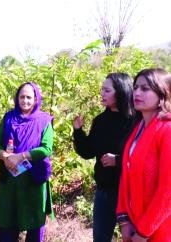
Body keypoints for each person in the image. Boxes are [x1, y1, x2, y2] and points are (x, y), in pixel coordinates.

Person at [72, 73, 135, 242]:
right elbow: (88, 152)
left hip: (130, 192)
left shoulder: (136, 120)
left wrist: (118, 160)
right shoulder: (100, 120)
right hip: (104, 191)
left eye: (107, 90)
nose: (102, 93)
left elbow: (144, 157)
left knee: (132, 238)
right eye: (102, 89)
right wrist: (78, 131)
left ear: (121, 91)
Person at [0, 82, 54, 242]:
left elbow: (46, 148)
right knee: (8, 217)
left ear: (36, 99)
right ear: (17, 98)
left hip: (34, 179)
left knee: (34, 219)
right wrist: (5, 157)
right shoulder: (8, 117)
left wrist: (21, 156)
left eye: (29, 97)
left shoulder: (44, 120)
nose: (25, 101)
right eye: (22, 97)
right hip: (11, 177)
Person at [116, 68, 171, 242]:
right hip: (134, 222)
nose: (137, 92)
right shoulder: (139, 126)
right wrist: (124, 220)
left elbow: (167, 190)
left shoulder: (167, 129)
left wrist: (143, 232)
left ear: (162, 93)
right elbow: (126, 175)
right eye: (136, 87)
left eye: (145, 89)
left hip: (160, 229)